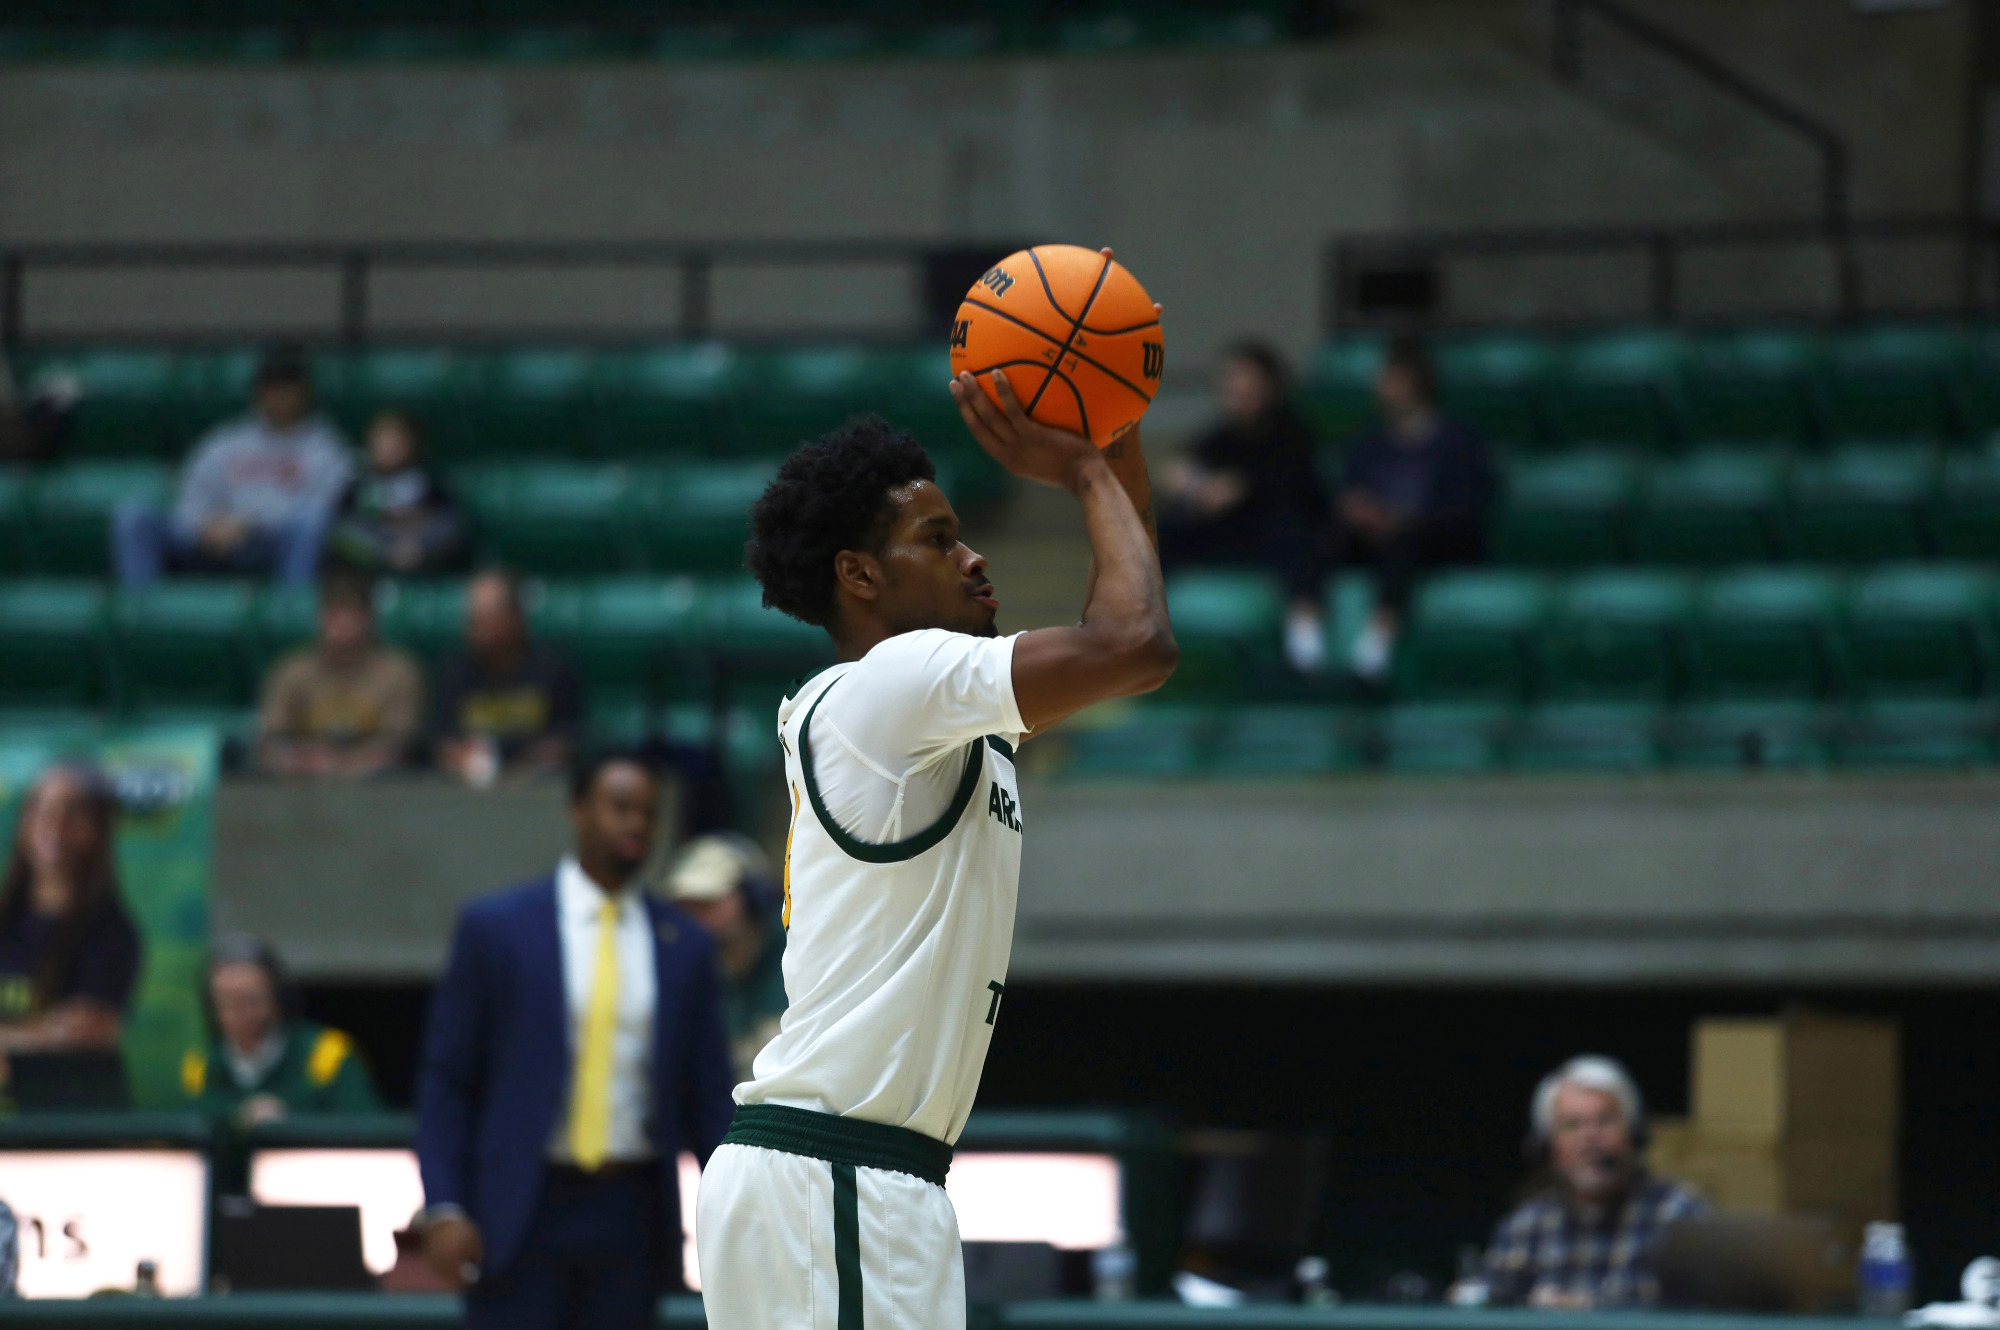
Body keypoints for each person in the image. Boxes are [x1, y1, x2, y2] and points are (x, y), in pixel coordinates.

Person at [697, 275, 1177, 1330]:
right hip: (837, 1174)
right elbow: (1134, 644)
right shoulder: (896, 684)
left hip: (851, 1175)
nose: (973, 555)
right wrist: (1088, 464)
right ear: (860, 577)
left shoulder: (910, 711)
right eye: (937, 538)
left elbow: (1124, 626)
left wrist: (1116, 437)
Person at [414, 751, 735, 1330]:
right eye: (620, 807)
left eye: (648, 813)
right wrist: (444, 1204)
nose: (636, 824)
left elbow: (708, 1097)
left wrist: (740, 1212)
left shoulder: (684, 945)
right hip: (520, 1204)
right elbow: (448, 1079)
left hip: (632, 1207)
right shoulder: (498, 928)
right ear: (578, 811)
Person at [1479, 1055, 1707, 1309]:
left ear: (1634, 1134)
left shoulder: (1679, 1215)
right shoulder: (1524, 1227)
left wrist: (1590, 1311)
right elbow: (1488, 1306)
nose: (1589, 1138)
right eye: (1572, 1125)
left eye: (1604, 1121)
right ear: (1547, 1146)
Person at [113, 346, 351, 588]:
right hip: (211, 539)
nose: (279, 395)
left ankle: (291, 612)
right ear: (258, 390)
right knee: (134, 517)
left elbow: (322, 511)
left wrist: (249, 523)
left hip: (271, 543)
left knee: (311, 522)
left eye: (287, 386)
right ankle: (140, 614)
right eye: (271, 386)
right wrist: (206, 527)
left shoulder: (326, 448)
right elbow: (190, 501)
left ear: (304, 390)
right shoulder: (227, 440)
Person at [1159, 341, 1332, 672]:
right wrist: (1192, 484)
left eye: (1247, 381)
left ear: (1268, 386)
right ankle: (1142, 627)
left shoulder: (1295, 433)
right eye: (1231, 381)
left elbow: (1303, 489)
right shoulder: (1219, 436)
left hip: (1279, 536)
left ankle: (1305, 639)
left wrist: (1242, 486)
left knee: (1296, 532)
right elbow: (1185, 469)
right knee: (1164, 529)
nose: (1237, 390)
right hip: (1228, 535)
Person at [1335, 334, 1495, 682]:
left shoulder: (1459, 442)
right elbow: (1350, 493)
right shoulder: (1368, 444)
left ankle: (1376, 646)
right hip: (1372, 539)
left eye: (1395, 379)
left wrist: (1401, 520)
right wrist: (1358, 511)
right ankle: (1306, 643)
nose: (1385, 387)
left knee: (1402, 543)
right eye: (1384, 378)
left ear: (1418, 382)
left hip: (1435, 541)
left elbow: (1466, 510)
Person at [0, 765, 141, 1078]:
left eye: (73, 812)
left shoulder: (110, 930)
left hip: (71, 1112)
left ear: (97, 829)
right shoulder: (7, 917)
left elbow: (86, 1030)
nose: (54, 825)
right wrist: (41, 1031)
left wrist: (12, 1039)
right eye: (41, 809)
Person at [179, 933, 381, 1126]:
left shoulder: (327, 1054)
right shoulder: (201, 1066)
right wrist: (237, 1119)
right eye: (230, 1002)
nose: (245, 1013)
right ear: (211, 1008)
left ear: (277, 998)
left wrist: (290, 1122)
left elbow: (368, 1133)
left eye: (254, 999)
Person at [258, 572, 424, 779]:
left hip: (377, 794)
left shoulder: (399, 672)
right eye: (333, 614)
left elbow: (402, 746)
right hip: (304, 791)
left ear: (369, 619)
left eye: (350, 614)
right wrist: (299, 759)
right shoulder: (292, 670)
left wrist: (344, 765)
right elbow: (270, 742)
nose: (341, 624)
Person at [431, 570, 581, 786]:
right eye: (471, 620)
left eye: (485, 620)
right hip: (468, 790)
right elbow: (443, 742)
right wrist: (471, 762)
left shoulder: (554, 668)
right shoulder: (454, 670)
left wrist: (516, 768)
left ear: (514, 617)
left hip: (537, 788)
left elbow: (565, 740)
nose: (474, 630)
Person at [665, 835, 787, 1085]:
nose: (693, 916)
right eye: (685, 905)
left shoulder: (797, 960)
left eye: (707, 901)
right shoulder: (689, 978)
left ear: (753, 896)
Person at [325, 409, 466, 578]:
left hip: (424, 570)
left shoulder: (433, 485)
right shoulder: (357, 485)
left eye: (397, 443)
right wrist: (383, 551)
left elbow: (452, 527)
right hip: (366, 575)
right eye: (382, 442)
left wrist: (421, 548)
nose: (389, 449)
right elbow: (341, 531)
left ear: (414, 444)